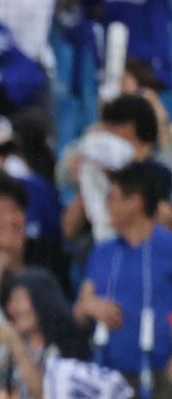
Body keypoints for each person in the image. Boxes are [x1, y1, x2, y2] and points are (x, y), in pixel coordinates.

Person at [79, 160, 172, 380]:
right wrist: (91, 306)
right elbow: (80, 309)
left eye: (112, 198)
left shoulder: (168, 247)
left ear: (135, 202)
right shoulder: (102, 251)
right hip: (108, 377)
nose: (107, 206)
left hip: (162, 377)